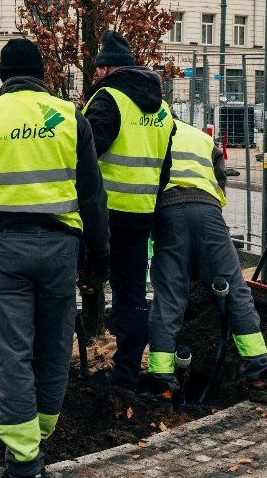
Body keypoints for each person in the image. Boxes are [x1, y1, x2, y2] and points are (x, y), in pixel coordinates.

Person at [0, 38, 109, 478]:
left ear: (1, 77)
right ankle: (41, 433)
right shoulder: (70, 118)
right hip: (61, 249)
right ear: (43, 74)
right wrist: (100, 255)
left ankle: (22, 461)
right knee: (56, 343)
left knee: (12, 349)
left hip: (4, 248)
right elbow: (93, 193)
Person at [144, 82, 267, 408]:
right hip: (209, 214)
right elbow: (220, 179)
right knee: (235, 291)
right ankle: (258, 375)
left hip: (167, 215)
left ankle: (162, 384)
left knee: (168, 299)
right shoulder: (200, 136)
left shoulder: (149, 138)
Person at [81, 30, 173, 392]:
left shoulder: (109, 99)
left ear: (105, 69)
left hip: (104, 215)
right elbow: (164, 166)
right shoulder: (161, 108)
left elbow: (85, 154)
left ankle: (72, 356)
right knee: (132, 294)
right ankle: (125, 375)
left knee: (84, 279)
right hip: (141, 213)